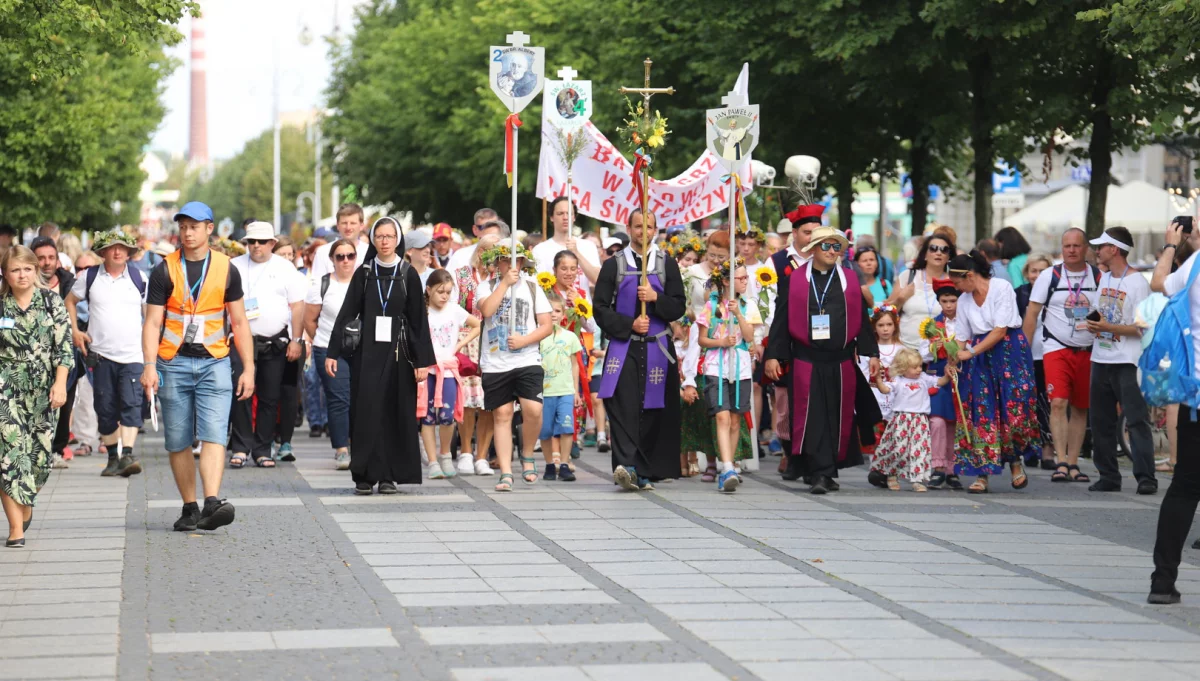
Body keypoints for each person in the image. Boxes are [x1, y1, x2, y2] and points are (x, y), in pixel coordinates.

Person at [141, 201, 254, 532]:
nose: (188, 232)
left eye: (195, 226)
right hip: (173, 362)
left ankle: (212, 501)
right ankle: (190, 507)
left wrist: (248, 367)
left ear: (209, 229)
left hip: (215, 362)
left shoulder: (225, 268)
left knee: (214, 433)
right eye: (183, 226)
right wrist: (149, 365)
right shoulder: (164, 270)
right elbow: (151, 324)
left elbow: (240, 322)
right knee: (177, 440)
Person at [764, 225, 880, 494]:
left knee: (835, 416)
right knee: (811, 417)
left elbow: (861, 319)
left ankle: (826, 471)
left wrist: (871, 353)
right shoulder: (794, 280)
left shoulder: (850, 279)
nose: (831, 251)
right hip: (806, 359)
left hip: (840, 361)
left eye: (836, 246)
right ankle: (819, 473)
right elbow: (781, 318)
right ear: (813, 249)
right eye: (825, 246)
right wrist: (774, 355)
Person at [326, 217, 435, 495]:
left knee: (395, 411)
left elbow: (418, 320)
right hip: (367, 354)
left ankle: (389, 475)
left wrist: (422, 361)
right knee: (365, 412)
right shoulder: (364, 273)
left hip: (399, 353)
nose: (385, 241)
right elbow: (347, 312)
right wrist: (333, 351)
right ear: (373, 240)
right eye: (380, 236)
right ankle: (364, 474)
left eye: (390, 236)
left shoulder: (408, 273)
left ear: (398, 240)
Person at [594, 209, 687, 490]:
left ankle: (646, 469)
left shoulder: (666, 263)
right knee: (623, 407)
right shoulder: (614, 265)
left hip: (657, 347)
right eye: (637, 226)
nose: (643, 232)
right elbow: (600, 308)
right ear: (629, 228)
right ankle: (627, 466)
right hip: (625, 347)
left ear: (655, 229)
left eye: (648, 227)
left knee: (654, 408)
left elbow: (678, 305)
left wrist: (655, 297)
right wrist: (629, 324)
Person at [948, 251, 1041, 494]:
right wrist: (953, 359)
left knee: (1013, 408)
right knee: (982, 410)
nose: (956, 288)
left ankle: (1015, 463)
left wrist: (971, 352)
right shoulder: (965, 301)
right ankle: (982, 473)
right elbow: (960, 337)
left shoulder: (1001, 287)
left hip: (1009, 352)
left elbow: (1000, 330)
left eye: (957, 282)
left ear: (969, 276)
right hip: (980, 358)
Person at [0, 246, 73, 547]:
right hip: (6, 390)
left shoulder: (51, 301)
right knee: (9, 457)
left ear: (36, 271)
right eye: (15, 269)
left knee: (39, 459)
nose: (22, 275)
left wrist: (60, 384)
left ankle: (26, 502)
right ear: (5, 273)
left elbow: (64, 347)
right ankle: (15, 529)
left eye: (27, 268)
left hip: (44, 390)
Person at [65, 230, 147, 478]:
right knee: (106, 408)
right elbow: (69, 300)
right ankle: (113, 457)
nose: (118, 251)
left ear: (129, 251)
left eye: (122, 247)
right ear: (103, 252)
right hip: (100, 355)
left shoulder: (139, 277)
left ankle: (128, 454)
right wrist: (75, 331)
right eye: (112, 247)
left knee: (132, 404)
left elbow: (151, 315)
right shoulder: (89, 277)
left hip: (133, 355)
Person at [1148, 218, 1200, 604]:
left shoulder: (1195, 265)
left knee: (1184, 488)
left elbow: (1158, 284)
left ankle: (1162, 582)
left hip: (1195, 400)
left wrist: (1170, 245)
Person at [227, 222, 307, 468]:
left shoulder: (285, 268)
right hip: (241, 340)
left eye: (262, 241)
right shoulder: (234, 266)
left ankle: (263, 449)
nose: (256, 246)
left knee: (270, 397)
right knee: (241, 392)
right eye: (252, 241)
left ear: (272, 243)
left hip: (275, 341)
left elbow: (298, 306)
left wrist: (296, 339)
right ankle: (240, 447)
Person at [1022, 229, 1098, 483]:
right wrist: (1023, 349)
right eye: (1067, 246)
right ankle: (1061, 460)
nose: (1072, 250)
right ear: (1062, 248)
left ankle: (1074, 462)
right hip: (1056, 347)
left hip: (1088, 349)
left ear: (1085, 248)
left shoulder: (1098, 276)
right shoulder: (1049, 276)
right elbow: (1032, 314)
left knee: (1080, 407)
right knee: (1057, 403)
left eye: (1077, 245)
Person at [476, 241, 553, 491]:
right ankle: (506, 471)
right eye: (507, 260)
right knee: (502, 414)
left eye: (517, 260)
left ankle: (528, 454)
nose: (513, 265)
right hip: (496, 362)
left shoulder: (532, 287)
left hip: (527, 358)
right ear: (498, 263)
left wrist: (524, 340)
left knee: (533, 409)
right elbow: (487, 310)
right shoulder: (485, 286)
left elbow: (546, 325)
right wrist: (505, 284)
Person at [1085, 227, 1155, 494]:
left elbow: (1142, 327)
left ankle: (1146, 476)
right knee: (1101, 421)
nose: (1097, 251)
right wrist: (1094, 325)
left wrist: (1108, 328)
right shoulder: (1104, 278)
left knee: (1136, 420)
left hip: (1128, 360)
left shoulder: (1137, 283)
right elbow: (1102, 314)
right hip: (1101, 357)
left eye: (1101, 247)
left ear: (1113, 249)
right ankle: (1108, 476)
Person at [696, 261, 761, 493]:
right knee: (722, 417)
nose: (745, 281)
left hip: (740, 367)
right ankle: (726, 468)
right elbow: (702, 340)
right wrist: (721, 342)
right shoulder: (710, 306)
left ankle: (729, 464)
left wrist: (738, 314)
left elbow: (749, 336)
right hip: (716, 366)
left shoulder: (748, 305)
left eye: (746, 278)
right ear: (726, 281)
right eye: (740, 278)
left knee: (735, 419)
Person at [420, 269, 480, 479]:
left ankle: (445, 453)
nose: (444, 296)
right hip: (427, 370)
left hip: (447, 369)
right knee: (427, 417)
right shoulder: (422, 311)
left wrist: (460, 344)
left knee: (447, 416)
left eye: (447, 292)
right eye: (439, 292)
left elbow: (476, 324)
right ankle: (432, 461)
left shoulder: (454, 310)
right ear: (428, 290)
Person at [304, 239, 357, 471]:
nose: (345, 260)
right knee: (338, 399)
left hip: (360, 349)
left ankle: (359, 445)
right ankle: (341, 450)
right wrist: (325, 343)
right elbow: (309, 319)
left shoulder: (363, 283)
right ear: (332, 260)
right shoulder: (322, 285)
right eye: (340, 256)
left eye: (350, 256)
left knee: (360, 398)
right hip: (327, 349)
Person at [453, 231, 501, 477]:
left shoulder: (502, 279)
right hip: (468, 339)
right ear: (480, 251)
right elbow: (452, 306)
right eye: (487, 251)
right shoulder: (462, 275)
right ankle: (465, 451)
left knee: (489, 402)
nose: (490, 257)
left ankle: (482, 455)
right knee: (468, 399)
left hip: (494, 341)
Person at [873, 348, 954, 492]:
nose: (918, 370)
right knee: (898, 449)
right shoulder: (898, 380)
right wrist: (878, 380)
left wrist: (947, 375)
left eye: (920, 366)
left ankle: (917, 479)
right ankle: (892, 474)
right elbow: (885, 389)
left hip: (920, 420)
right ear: (903, 368)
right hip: (901, 419)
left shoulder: (924, 377)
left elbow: (940, 382)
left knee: (920, 450)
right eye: (914, 367)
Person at [31, 236, 77, 470]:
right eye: (41, 258)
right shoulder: (18, 289)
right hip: (30, 365)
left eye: (51, 257)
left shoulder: (70, 283)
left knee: (63, 402)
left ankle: (57, 448)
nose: (47, 263)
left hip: (65, 356)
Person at [920, 280, 964, 490]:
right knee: (937, 422)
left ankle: (952, 469)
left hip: (961, 378)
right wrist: (932, 348)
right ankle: (937, 466)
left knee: (955, 423)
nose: (948, 305)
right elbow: (921, 354)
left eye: (953, 300)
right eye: (944, 301)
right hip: (938, 379)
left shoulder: (966, 323)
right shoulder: (931, 325)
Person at [1015, 254, 1056, 470]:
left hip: (1050, 353)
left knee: (1047, 403)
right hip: (1026, 355)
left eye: (1042, 271)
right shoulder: (1019, 294)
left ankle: (1048, 450)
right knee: (1026, 402)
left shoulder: (1057, 293)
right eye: (1033, 271)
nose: (1037, 276)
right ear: (1026, 273)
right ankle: (1029, 448)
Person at [538, 293, 582, 482]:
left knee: (566, 428)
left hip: (565, 390)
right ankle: (549, 464)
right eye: (550, 311)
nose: (553, 314)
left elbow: (575, 364)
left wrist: (576, 390)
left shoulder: (570, 337)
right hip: (545, 392)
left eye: (557, 310)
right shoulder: (538, 336)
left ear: (564, 313)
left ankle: (564, 464)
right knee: (546, 430)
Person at [888, 233, 958, 350]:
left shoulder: (954, 282)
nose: (938, 253)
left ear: (949, 257)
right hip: (906, 350)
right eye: (933, 249)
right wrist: (901, 298)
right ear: (925, 254)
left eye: (944, 250)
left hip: (940, 351)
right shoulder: (908, 276)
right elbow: (886, 313)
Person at [269, 236, 305, 462]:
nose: (287, 259)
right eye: (282, 255)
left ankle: (286, 440)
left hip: (296, 341)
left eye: (290, 255)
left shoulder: (300, 279)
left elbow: (307, 311)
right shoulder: (269, 277)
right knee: (270, 392)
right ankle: (271, 437)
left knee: (290, 392)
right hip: (273, 342)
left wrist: (302, 340)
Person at [533, 197, 601, 287]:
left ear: (574, 218)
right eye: (560, 213)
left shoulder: (588, 246)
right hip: (552, 300)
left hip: (582, 300)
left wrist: (576, 253)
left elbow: (598, 280)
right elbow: (535, 285)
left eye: (569, 214)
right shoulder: (540, 250)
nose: (565, 217)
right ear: (552, 217)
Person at [310, 204, 368, 279]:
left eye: (353, 223)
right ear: (337, 225)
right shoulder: (323, 252)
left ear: (361, 226)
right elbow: (317, 285)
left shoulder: (369, 252)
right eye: (344, 223)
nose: (348, 227)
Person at [446, 208, 501, 273]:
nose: (490, 231)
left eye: (494, 225)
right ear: (475, 230)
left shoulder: (509, 254)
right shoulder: (460, 256)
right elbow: (448, 281)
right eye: (484, 227)